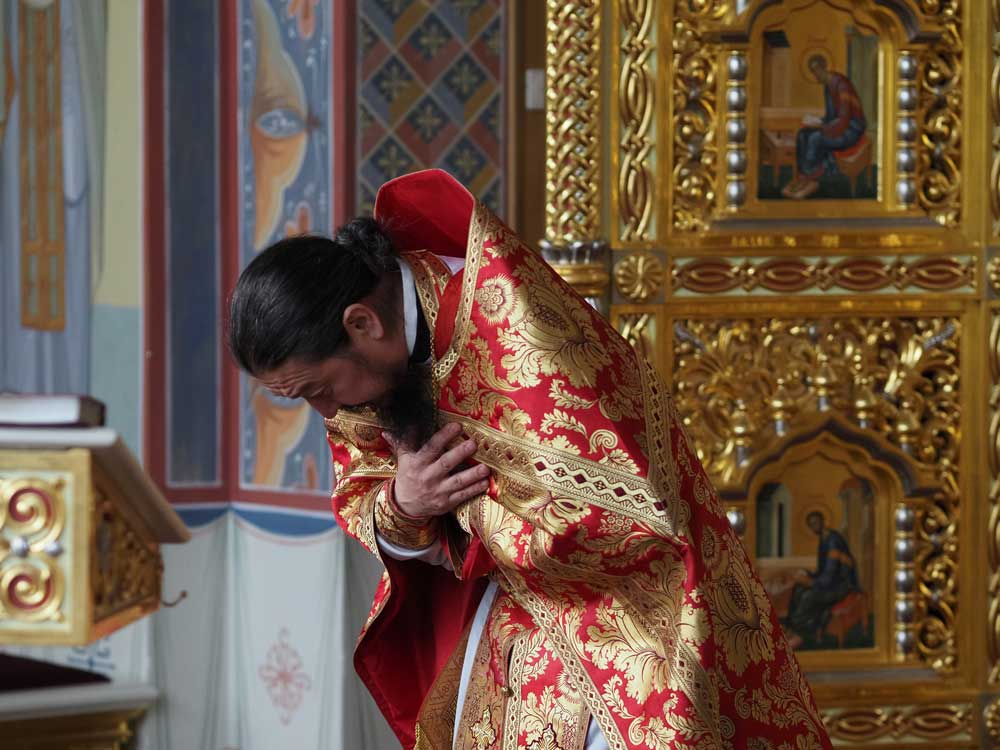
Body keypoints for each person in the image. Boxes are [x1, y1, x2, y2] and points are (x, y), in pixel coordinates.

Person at [228, 169, 831, 750]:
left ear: (362, 323)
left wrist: (464, 515)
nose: (326, 412)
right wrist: (404, 505)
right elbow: (367, 492)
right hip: (512, 626)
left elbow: (629, 515)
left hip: (644, 615)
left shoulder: (521, 321)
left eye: (318, 390)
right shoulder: (362, 377)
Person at [782, 54, 867, 200]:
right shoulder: (828, 87)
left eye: (816, 71)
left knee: (815, 139)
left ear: (823, 68)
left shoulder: (842, 85)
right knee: (803, 134)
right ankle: (802, 177)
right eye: (812, 72)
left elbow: (844, 119)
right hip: (837, 126)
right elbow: (831, 117)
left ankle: (810, 179)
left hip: (851, 129)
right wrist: (817, 122)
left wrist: (822, 128)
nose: (815, 76)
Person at [785, 511, 860, 648]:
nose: (814, 527)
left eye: (816, 522)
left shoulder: (833, 541)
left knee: (808, 596)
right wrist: (807, 575)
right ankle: (791, 629)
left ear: (823, 521)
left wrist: (810, 581)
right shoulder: (824, 539)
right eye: (811, 525)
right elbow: (822, 571)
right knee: (798, 589)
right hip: (830, 583)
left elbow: (830, 574)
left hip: (842, 586)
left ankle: (798, 634)